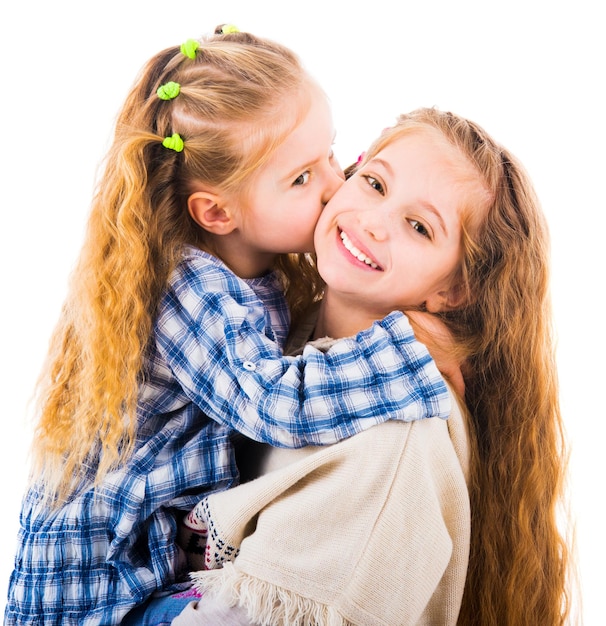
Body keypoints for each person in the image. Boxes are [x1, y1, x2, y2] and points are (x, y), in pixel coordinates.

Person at [4, 29, 454, 626]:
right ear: (217, 212)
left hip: (146, 564)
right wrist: (409, 349)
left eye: (332, 154)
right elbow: (277, 402)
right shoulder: (189, 289)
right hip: (99, 589)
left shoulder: (260, 267)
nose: (333, 185)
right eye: (301, 178)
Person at [162, 108, 571, 626]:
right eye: (375, 183)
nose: (374, 223)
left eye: (420, 227)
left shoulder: (396, 441)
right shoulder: (277, 329)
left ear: (453, 290)